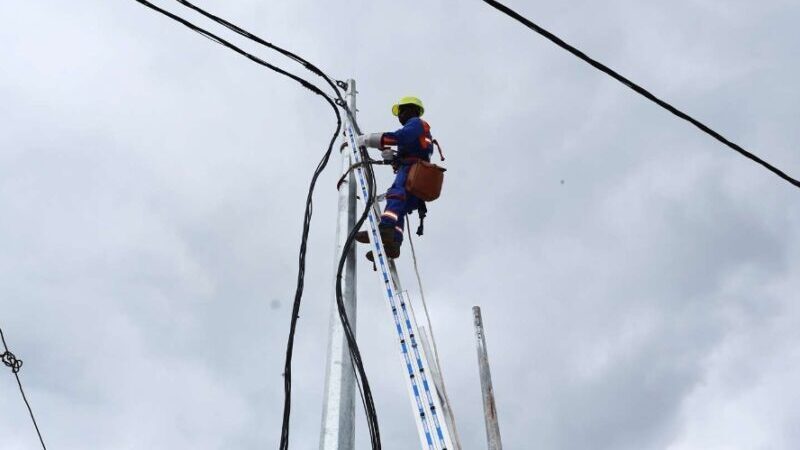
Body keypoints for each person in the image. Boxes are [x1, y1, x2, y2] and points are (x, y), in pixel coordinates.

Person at [356, 96, 434, 261]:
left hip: (413, 170)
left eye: (400, 111)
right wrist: (394, 158)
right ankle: (394, 244)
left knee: (396, 194)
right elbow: (412, 148)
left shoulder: (416, 123)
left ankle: (386, 228)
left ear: (410, 109)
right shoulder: (420, 129)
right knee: (400, 208)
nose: (399, 116)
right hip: (418, 177)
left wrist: (368, 140)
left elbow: (400, 137)